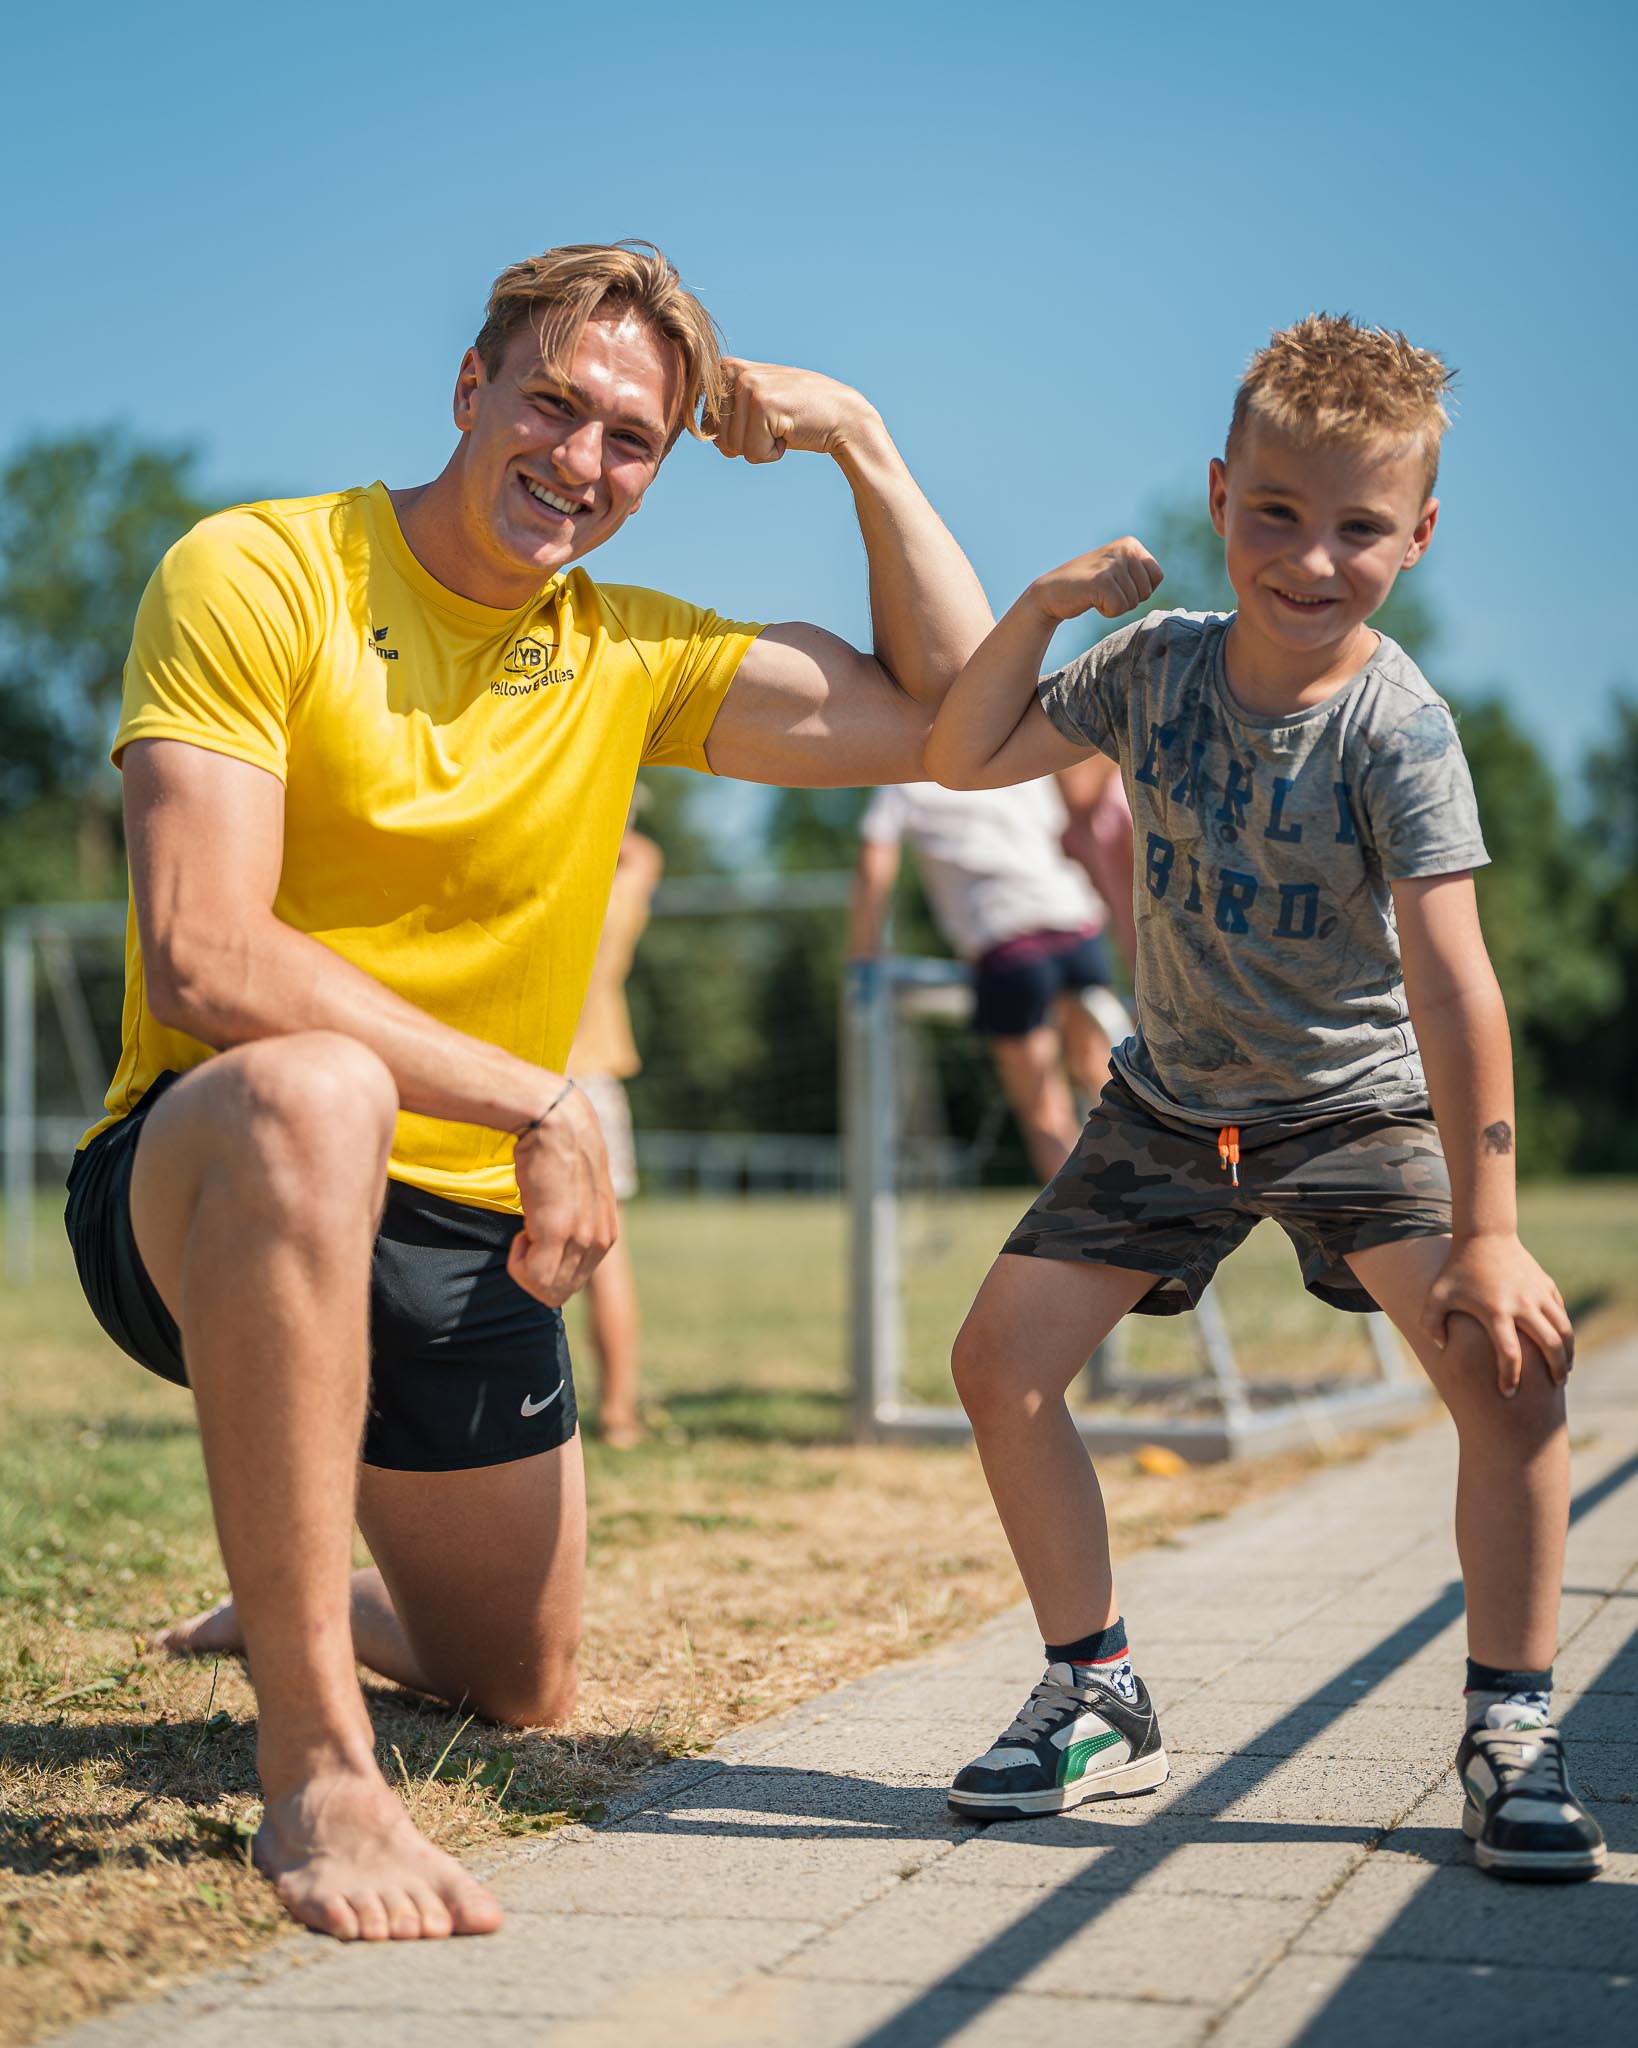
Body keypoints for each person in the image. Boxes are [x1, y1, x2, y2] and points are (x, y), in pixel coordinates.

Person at [62, 241, 992, 1942]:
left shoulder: (630, 654)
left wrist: (860, 437)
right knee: (317, 1092)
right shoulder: (256, 570)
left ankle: (309, 1602)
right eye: (552, 401)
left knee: (524, 1680)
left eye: (631, 437)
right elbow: (203, 948)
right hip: (206, 1176)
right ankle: (318, 1756)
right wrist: (535, 1095)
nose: (581, 458)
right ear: (469, 387)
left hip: (457, 1228)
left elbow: (960, 727)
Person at [923, 315, 1602, 1882]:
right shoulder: (1150, 672)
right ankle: (1093, 1688)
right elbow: (963, 753)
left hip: (1350, 1108)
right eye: (1274, 516)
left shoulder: (1395, 729)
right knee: (997, 1363)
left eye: (1357, 528)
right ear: (1218, 497)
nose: (1310, 559)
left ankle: (1508, 1724)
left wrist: (1488, 1229)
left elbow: (1452, 985)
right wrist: (1039, 604)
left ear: (1415, 536)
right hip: (1170, 1104)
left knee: (1506, 1381)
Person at [848, 771, 1131, 1180]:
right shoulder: (1008, 755)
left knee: (1045, 1113)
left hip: (1010, 942)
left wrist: (864, 953)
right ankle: (1142, 1202)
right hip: (1078, 929)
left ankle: (1088, 1229)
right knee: (1104, 1088)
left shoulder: (903, 779)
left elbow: (873, 865)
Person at [566, 820, 662, 1447]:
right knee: (608, 1255)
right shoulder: (618, 892)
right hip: (592, 1079)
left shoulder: (549, 878)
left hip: (506, 1068)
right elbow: (643, 852)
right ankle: (619, 1412)